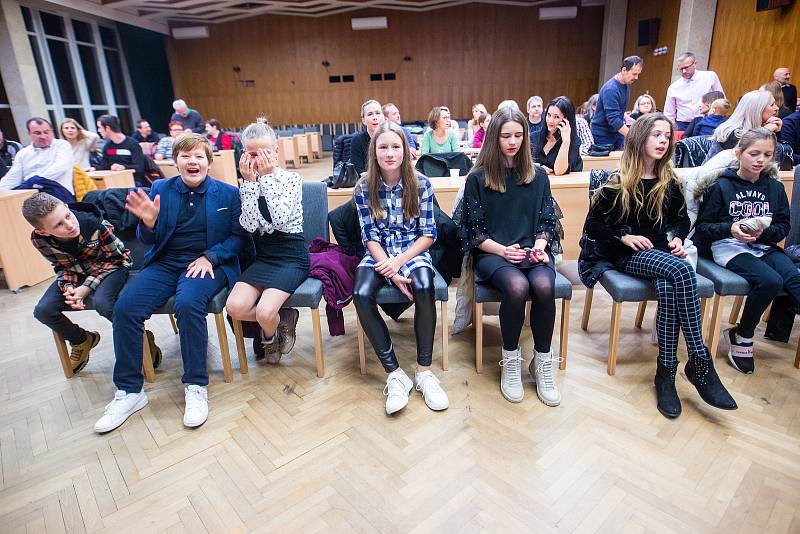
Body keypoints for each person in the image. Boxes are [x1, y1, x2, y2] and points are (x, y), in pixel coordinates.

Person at [580, 113, 737, 417]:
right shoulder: (618, 180)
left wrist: (678, 239)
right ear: (640, 138)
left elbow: (682, 220)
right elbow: (593, 226)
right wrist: (624, 237)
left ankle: (665, 373)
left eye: (667, 136)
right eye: (657, 135)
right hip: (622, 252)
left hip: (659, 253)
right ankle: (699, 361)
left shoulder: (669, 180)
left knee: (669, 285)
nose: (664, 141)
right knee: (682, 270)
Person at [94, 133, 248, 433]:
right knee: (125, 307)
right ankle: (129, 391)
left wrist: (211, 257)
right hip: (165, 262)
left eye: (199, 156)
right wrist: (148, 224)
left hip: (205, 262)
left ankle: (195, 385)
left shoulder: (228, 194)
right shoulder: (160, 188)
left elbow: (238, 238)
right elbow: (147, 239)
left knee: (188, 304)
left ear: (209, 162)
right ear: (175, 162)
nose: (193, 162)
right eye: (186, 156)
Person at [460, 107, 560, 406]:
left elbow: (547, 221)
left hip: (532, 249)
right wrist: (503, 250)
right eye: (506, 136)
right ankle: (511, 360)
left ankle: (542, 362)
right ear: (494, 138)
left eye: (519, 135)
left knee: (543, 286)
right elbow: (474, 233)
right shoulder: (478, 178)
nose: (513, 141)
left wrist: (541, 246)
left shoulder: (538, 175)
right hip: (494, 253)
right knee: (517, 287)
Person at [352, 121, 447, 414]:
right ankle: (395, 374)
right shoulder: (363, 186)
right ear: (374, 151)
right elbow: (369, 236)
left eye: (396, 146)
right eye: (383, 147)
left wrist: (399, 263)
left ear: (405, 150)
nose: (390, 153)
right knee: (361, 293)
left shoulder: (421, 184)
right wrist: (390, 270)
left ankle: (423, 372)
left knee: (423, 285)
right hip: (379, 254)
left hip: (410, 252)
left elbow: (428, 234)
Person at [695, 128, 796, 375]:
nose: (760, 159)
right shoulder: (720, 185)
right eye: (754, 153)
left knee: (794, 279)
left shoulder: (774, 187)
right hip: (727, 246)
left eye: (767, 154)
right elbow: (704, 228)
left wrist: (764, 233)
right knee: (770, 282)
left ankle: (742, 333)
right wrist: (731, 228)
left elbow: (783, 225)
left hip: (763, 245)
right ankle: (742, 335)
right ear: (739, 153)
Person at [225, 119, 306, 363]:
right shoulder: (248, 183)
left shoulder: (291, 179)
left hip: (292, 256)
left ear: (276, 152)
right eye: (252, 154)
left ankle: (269, 339)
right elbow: (249, 225)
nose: (258, 160)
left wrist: (268, 178)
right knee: (235, 308)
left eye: (264, 153)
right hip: (265, 255)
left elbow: (280, 220)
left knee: (264, 311)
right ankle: (282, 320)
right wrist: (250, 184)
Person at [23, 192, 130, 374]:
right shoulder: (39, 239)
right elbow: (61, 265)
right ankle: (81, 339)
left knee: (103, 304)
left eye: (68, 215)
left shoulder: (95, 225)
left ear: (67, 206)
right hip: (77, 273)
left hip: (112, 268)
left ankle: (138, 339)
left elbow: (120, 259)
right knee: (43, 310)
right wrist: (69, 289)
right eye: (58, 225)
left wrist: (86, 288)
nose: (70, 225)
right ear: (43, 231)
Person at [0, 118, 75, 201]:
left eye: (46, 132)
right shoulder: (23, 153)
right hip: (31, 197)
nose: (43, 136)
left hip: (59, 194)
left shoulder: (62, 145)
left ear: (52, 131)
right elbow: (12, 178)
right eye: (37, 133)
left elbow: (60, 168)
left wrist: (32, 182)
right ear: (29, 134)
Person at [703, 90, 781, 163]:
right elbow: (743, 163)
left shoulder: (765, 126)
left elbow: (781, 154)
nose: (777, 108)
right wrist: (764, 132)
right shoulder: (733, 132)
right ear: (758, 109)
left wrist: (776, 132)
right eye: (772, 105)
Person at [592, 56, 644, 150]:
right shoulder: (611, 89)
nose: (636, 78)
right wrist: (635, 137)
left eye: (638, 74)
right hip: (603, 136)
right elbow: (613, 119)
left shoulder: (627, 84)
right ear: (624, 70)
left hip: (617, 133)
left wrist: (626, 117)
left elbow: (618, 111)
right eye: (634, 74)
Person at [663, 52, 724, 130]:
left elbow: (721, 99)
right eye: (681, 69)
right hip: (683, 125)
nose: (684, 71)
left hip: (706, 121)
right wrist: (670, 129)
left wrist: (713, 112)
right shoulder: (673, 87)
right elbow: (669, 113)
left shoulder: (710, 76)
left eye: (686, 67)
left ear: (695, 64)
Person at [534, 96, 583, 175]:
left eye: (556, 117)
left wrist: (566, 141)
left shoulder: (574, 142)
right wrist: (538, 168)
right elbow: (523, 163)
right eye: (549, 115)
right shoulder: (534, 137)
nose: (550, 120)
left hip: (564, 185)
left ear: (566, 120)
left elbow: (559, 171)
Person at [95, 114, 146, 186]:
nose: (98, 130)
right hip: (114, 181)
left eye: (99, 127)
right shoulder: (107, 146)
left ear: (107, 128)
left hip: (132, 182)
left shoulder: (133, 144)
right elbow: (104, 166)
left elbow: (139, 168)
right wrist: (94, 169)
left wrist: (123, 167)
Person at [349, 99, 385, 175]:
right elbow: (357, 171)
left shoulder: (391, 137)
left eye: (378, 113)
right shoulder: (358, 140)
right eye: (370, 114)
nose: (375, 117)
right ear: (363, 120)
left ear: (383, 117)